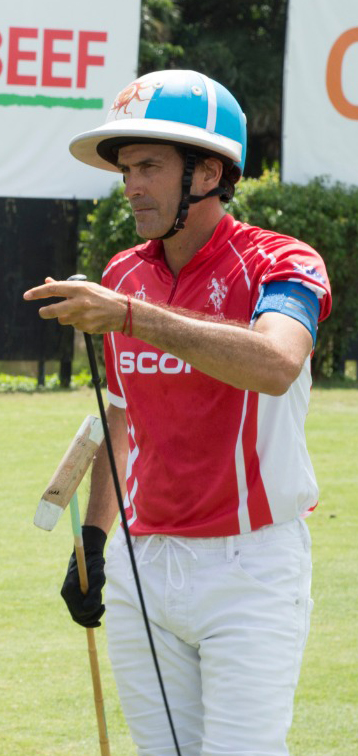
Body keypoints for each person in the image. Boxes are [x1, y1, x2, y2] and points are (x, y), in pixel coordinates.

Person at [24, 70, 331, 756]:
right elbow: (121, 420)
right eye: (127, 168)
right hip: (144, 565)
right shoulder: (123, 274)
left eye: (150, 167)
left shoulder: (282, 263)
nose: (131, 185)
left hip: (250, 568)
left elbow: (277, 364)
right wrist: (97, 539)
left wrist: (131, 317)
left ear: (209, 172)